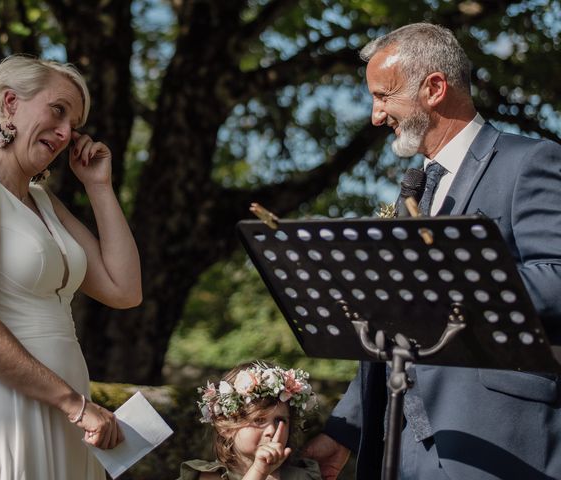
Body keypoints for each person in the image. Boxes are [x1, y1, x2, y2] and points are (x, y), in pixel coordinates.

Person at [304, 23, 561, 480]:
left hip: (497, 440)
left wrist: (454, 275)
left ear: (435, 89)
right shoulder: (416, 190)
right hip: (399, 447)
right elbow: (390, 324)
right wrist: (345, 432)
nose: (376, 116)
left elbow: (556, 276)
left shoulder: (531, 162)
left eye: (384, 96)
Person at [0, 55, 142, 479]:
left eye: (73, 124)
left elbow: (124, 289)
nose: (65, 134)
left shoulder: (44, 202)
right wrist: (74, 404)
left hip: (67, 403)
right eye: (57, 110)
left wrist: (99, 187)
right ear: (9, 103)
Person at [178, 361, 322, 480]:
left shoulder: (302, 476)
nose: (271, 430)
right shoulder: (207, 476)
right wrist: (259, 471)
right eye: (259, 420)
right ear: (226, 427)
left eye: (280, 420)